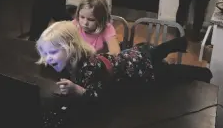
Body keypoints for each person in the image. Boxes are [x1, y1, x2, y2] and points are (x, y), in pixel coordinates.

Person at [36, 21, 213, 102]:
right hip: (130, 57)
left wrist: (76, 90)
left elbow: (99, 96)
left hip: (138, 70)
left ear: (71, 49)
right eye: (45, 53)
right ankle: (176, 43)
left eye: (52, 53)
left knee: (170, 73)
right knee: (153, 52)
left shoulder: (89, 68)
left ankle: (202, 73)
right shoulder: (73, 58)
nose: (48, 58)